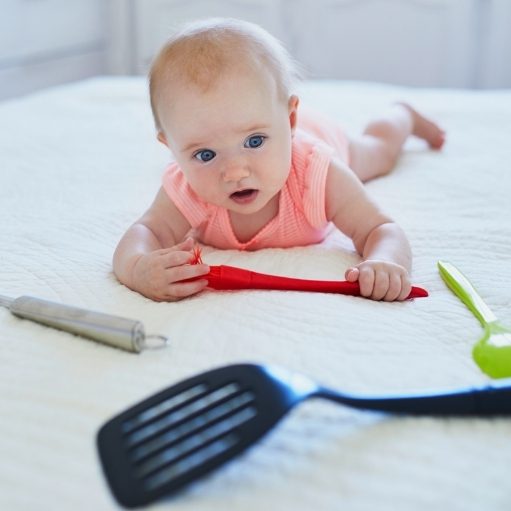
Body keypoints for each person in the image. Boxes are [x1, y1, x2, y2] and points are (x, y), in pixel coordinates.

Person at [113, 17, 445, 302]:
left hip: (325, 138)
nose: (235, 172)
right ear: (170, 148)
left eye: (254, 141)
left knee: (380, 152)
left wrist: (385, 260)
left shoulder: (318, 173)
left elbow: (381, 228)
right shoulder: (187, 188)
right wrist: (138, 267)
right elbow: (145, 232)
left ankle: (403, 115)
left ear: (289, 122)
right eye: (205, 154)